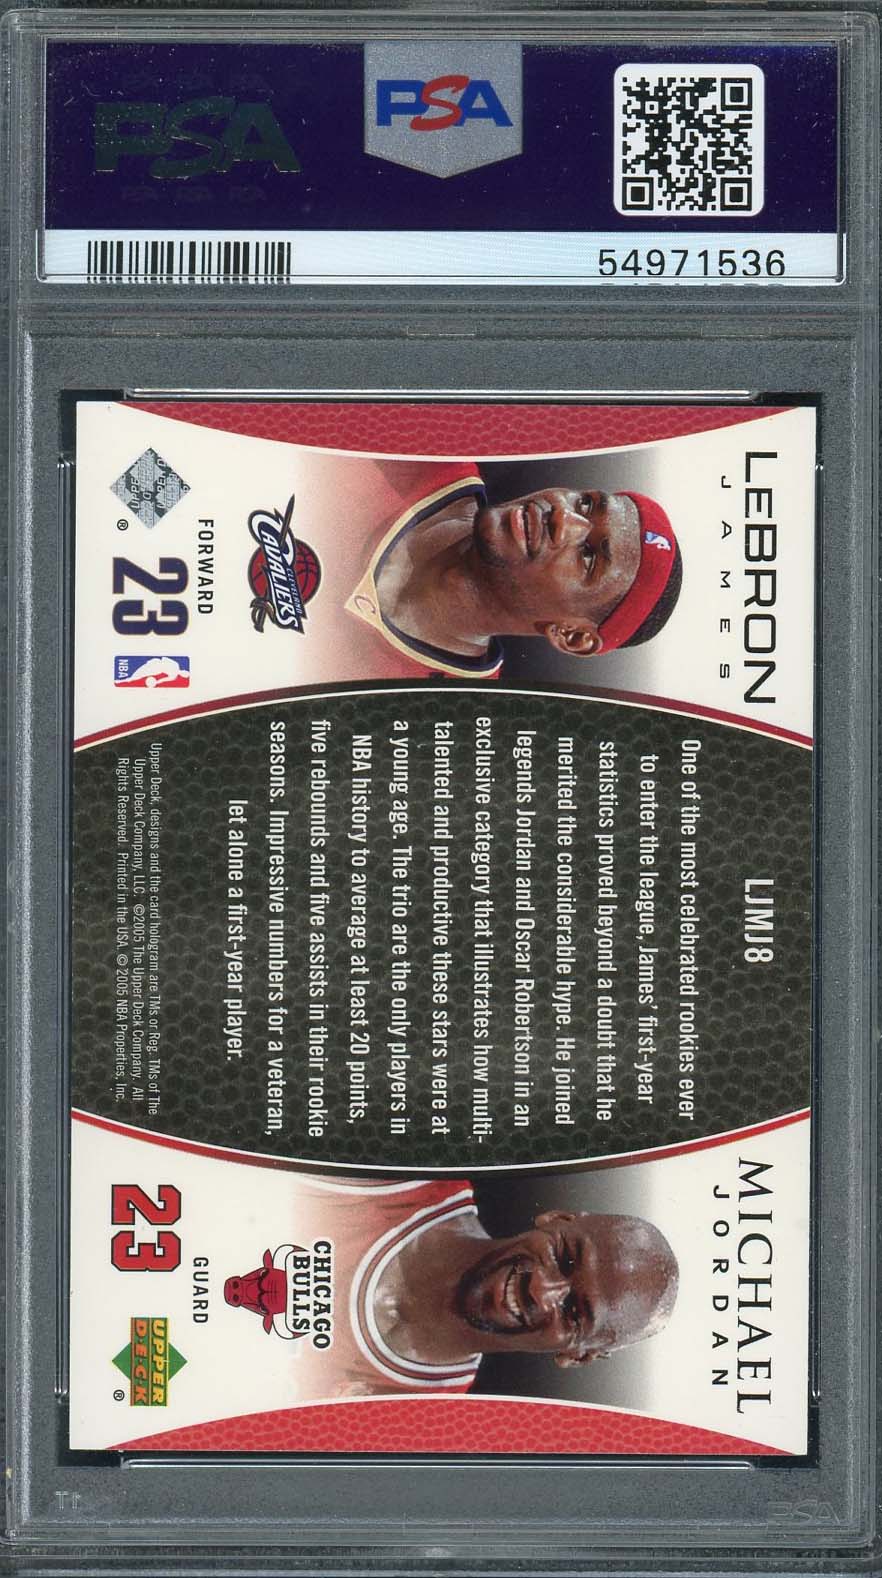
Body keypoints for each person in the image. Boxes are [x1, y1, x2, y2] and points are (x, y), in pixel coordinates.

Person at [223, 1175, 678, 1396]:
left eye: (573, 1313)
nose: (542, 1290)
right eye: (564, 1257)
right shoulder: (398, 1176)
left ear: (575, 1355)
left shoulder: (411, 1425)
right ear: (556, 1218)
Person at [349, 479, 682, 676]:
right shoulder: (415, 454)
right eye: (585, 504)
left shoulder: (436, 723)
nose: (562, 516)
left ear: (572, 636)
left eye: (588, 555)